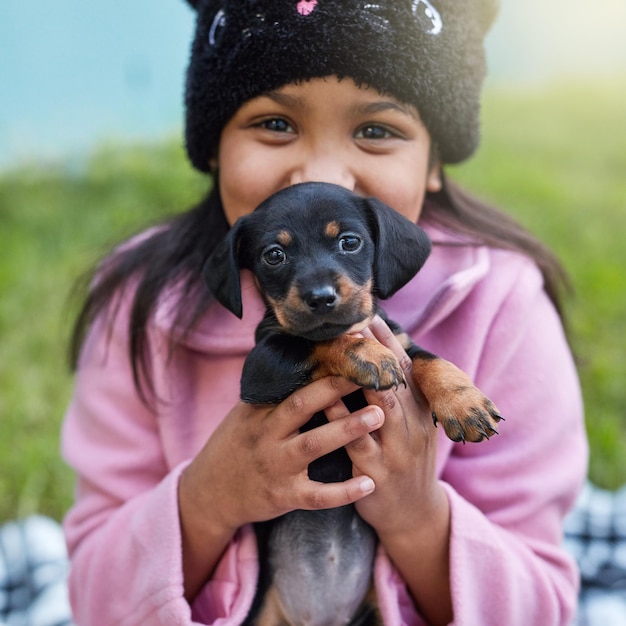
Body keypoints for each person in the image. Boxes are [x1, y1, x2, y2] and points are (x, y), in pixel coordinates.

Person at [61, 1, 588, 624]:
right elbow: (93, 599)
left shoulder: (503, 305)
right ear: (212, 148)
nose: (322, 173)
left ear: (437, 160)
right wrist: (207, 499)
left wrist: (416, 514)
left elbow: (543, 608)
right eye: (276, 123)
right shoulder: (138, 307)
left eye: (376, 129)